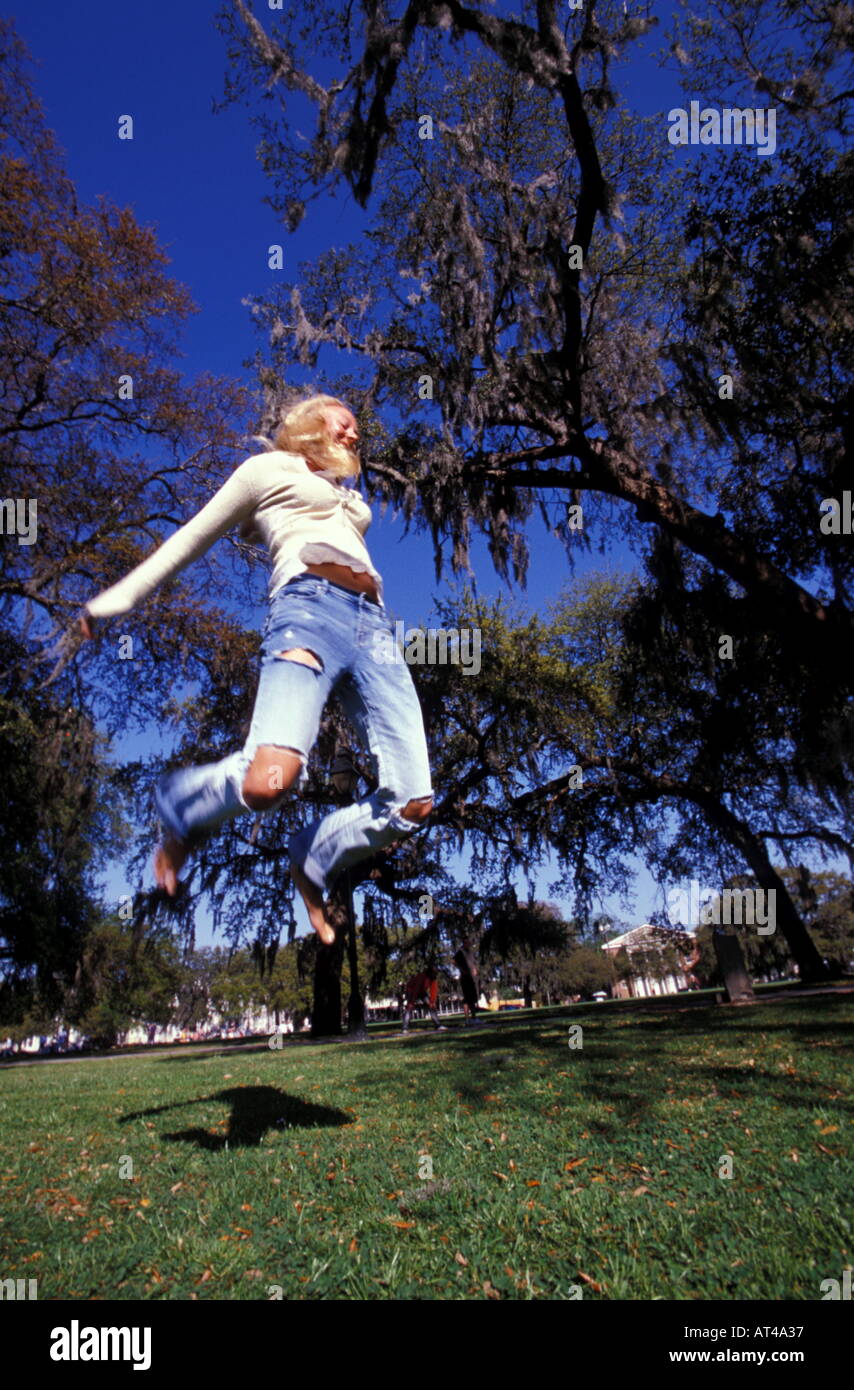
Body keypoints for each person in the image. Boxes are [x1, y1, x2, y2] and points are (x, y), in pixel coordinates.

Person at [78, 395, 433, 945]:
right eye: (346, 422)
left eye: (358, 429)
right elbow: (190, 540)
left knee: (413, 801)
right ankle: (183, 804)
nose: (355, 434)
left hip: (377, 633)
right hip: (307, 610)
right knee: (269, 781)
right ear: (310, 421)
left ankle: (316, 851)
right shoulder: (266, 470)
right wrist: (115, 601)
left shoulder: (346, 496)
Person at [401, 965, 446, 1033]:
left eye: (436, 973)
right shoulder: (421, 976)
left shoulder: (433, 978)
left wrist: (432, 1001)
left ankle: (438, 1025)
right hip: (411, 991)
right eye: (434, 973)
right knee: (409, 1008)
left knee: (432, 1006)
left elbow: (433, 990)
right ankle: (405, 1028)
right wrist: (412, 1002)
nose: (435, 975)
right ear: (430, 972)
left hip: (422, 992)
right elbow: (416, 989)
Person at [454, 937, 481, 1021]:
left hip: (471, 977)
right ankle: (467, 1018)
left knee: (472, 998)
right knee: (467, 998)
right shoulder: (460, 952)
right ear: (464, 943)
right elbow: (453, 961)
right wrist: (462, 970)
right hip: (465, 977)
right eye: (467, 943)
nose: (468, 944)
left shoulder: (470, 952)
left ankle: (473, 1017)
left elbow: (473, 963)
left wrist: (475, 969)